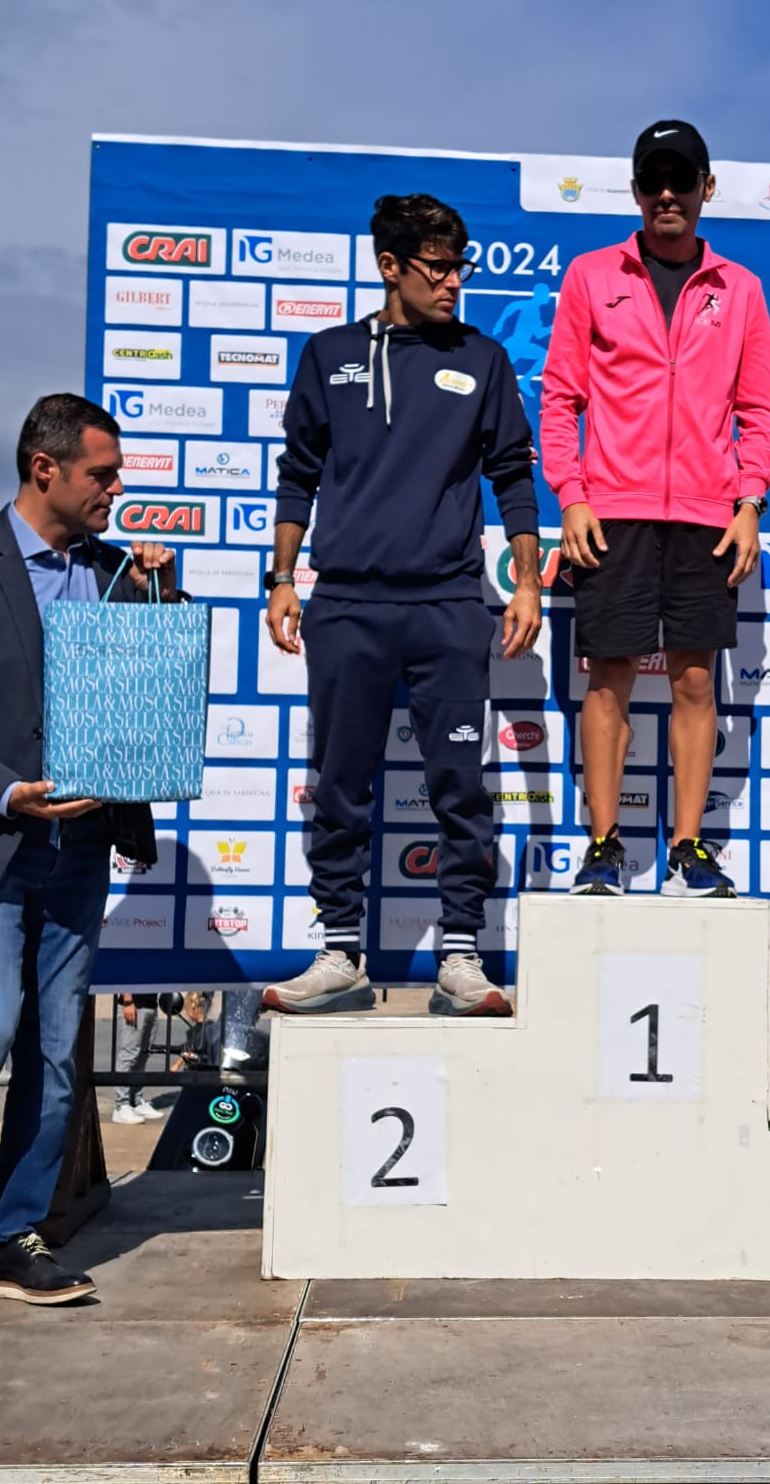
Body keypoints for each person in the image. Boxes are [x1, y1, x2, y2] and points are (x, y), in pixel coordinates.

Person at [262, 194, 541, 1018]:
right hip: (347, 601)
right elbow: (297, 472)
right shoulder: (329, 354)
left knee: (459, 784)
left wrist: (527, 581)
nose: (455, 282)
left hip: (448, 603)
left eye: (461, 267)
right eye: (439, 267)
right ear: (390, 266)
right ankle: (341, 952)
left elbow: (514, 475)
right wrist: (282, 577)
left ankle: (461, 954)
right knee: (339, 784)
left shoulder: (483, 358)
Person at [0, 393, 175, 1307]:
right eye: (102, 473)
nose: (115, 489)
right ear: (43, 468)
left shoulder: (117, 572)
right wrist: (9, 791)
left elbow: (159, 686)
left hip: (83, 850)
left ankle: (13, 1242)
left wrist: (164, 592)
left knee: (55, 1055)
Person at [540, 120, 770, 898]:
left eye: (681, 179)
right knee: (609, 677)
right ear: (636, 189)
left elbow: (757, 410)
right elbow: (560, 398)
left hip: (708, 516)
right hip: (613, 510)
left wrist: (749, 502)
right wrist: (572, 495)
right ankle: (603, 847)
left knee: (696, 682)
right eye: (653, 180)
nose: (666, 194)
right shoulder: (591, 275)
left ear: (708, 187)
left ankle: (686, 849)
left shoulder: (740, 289)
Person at [111, 993, 163, 1123]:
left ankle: (136, 1101)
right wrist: (128, 1001)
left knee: (143, 1055)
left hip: (151, 1005)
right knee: (129, 1056)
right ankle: (121, 1106)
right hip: (134, 1005)